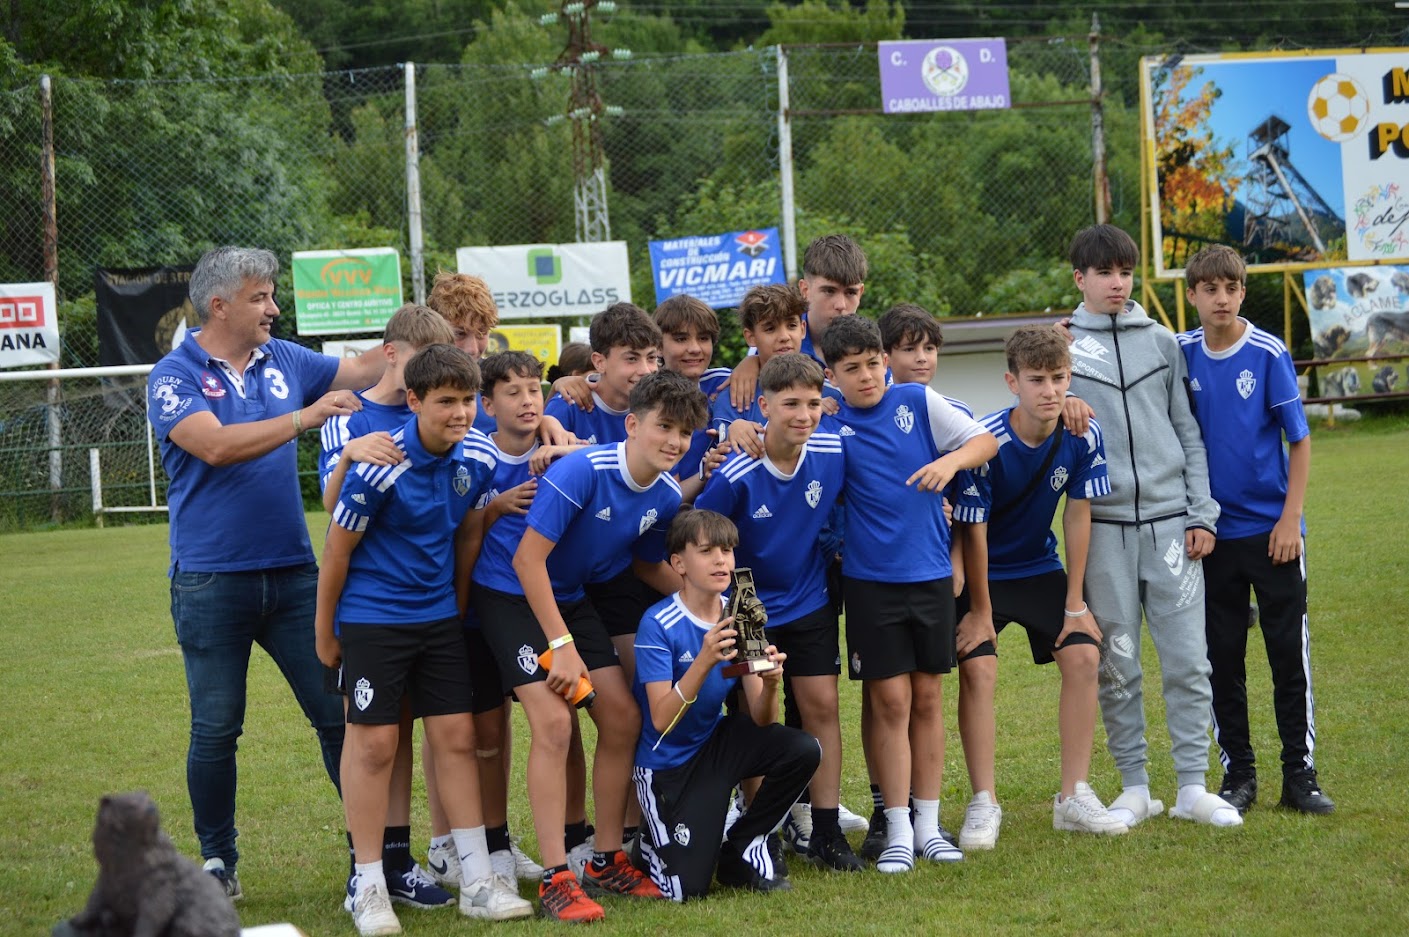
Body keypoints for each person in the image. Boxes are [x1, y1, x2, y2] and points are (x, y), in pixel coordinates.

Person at [148, 245, 388, 900]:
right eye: (261, 297)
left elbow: (367, 367)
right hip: (210, 580)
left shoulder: (284, 358)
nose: (274, 308)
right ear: (219, 304)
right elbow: (215, 445)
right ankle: (218, 863)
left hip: (293, 577)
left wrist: (421, 329)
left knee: (336, 715)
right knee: (217, 727)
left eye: (273, 294)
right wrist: (303, 418)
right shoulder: (173, 375)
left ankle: (368, 860)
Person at [315, 344, 532, 935]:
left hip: (438, 620)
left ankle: (478, 881)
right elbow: (337, 551)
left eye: (466, 401)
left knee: (456, 739)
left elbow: (466, 534)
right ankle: (368, 885)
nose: (460, 413)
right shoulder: (379, 464)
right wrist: (324, 633)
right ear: (413, 401)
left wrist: (455, 611)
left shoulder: (479, 455)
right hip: (373, 620)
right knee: (375, 746)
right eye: (445, 402)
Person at [477, 370, 706, 922]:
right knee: (555, 725)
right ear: (632, 424)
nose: (674, 442)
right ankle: (557, 876)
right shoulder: (582, 468)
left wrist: (714, 615)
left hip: (571, 599)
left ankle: (602, 860)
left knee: (624, 720)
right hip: (511, 594)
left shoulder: (669, 493)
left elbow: (647, 565)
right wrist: (563, 645)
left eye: (684, 432)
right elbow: (526, 561)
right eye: (663, 427)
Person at [1061, 224, 1240, 828]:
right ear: (1079, 278)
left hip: (1172, 530)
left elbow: (1188, 433)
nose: (1117, 283)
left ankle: (1192, 786)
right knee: (1119, 663)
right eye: (1104, 272)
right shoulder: (1062, 348)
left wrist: (1201, 514)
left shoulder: (1163, 343)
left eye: (1125, 272)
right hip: (1103, 529)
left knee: (1189, 661)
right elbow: (1028, 391)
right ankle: (1134, 785)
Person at [818, 315, 997, 873]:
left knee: (926, 700)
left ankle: (928, 824)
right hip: (870, 584)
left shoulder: (918, 401)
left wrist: (949, 460)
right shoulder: (829, 421)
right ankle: (895, 827)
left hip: (930, 579)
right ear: (833, 375)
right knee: (889, 703)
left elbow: (984, 442)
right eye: (853, 369)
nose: (868, 376)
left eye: (873, 363)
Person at [950, 326, 1129, 846]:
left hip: (1037, 567)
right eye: (1036, 380)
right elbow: (974, 531)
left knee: (1083, 656)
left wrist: (1075, 602)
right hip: (986, 573)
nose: (1049, 390)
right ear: (1012, 382)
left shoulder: (1082, 434)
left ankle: (1073, 795)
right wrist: (979, 611)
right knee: (978, 668)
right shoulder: (986, 443)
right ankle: (983, 802)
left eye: (1059, 378)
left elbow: (1077, 516)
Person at [1175, 244, 1334, 815]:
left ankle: (1301, 774)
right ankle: (1239, 774)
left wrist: (1291, 518)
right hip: (1211, 536)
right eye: (1210, 289)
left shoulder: (1267, 352)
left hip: (1273, 533)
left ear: (1242, 291)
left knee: (1288, 654)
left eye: (1232, 288)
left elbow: (1300, 439)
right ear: (1191, 294)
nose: (1222, 298)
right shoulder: (1179, 353)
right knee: (1222, 657)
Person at [318, 304, 459, 911]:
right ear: (393, 354)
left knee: (404, 732)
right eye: (420, 363)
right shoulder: (348, 413)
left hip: (432, 605)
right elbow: (332, 510)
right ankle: (366, 868)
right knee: (373, 738)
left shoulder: (438, 412)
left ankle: (397, 860)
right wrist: (352, 455)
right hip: (372, 606)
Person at [695, 353, 860, 872]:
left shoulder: (833, 448)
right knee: (756, 717)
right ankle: (759, 831)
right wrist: (728, 608)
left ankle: (826, 830)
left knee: (822, 707)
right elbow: (706, 540)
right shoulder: (737, 470)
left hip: (808, 594)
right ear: (764, 406)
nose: (804, 414)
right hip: (746, 600)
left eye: (813, 403)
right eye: (791, 403)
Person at [632, 509, 820, 899]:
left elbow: (763, 719)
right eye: (707, 551)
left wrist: (770, 684)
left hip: (714, 748)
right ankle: (649, 845)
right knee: (687, 890)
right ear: (678, 563)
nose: (721, 560)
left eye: (728, 550)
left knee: (801, 748)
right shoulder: (658, 623)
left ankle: (740, 849)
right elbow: (661, 718)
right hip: (667, 766)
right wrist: (703, 661)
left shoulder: (742, 616)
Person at [461, 351, 595, 886]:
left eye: (534, 390)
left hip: (553, 604)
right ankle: (495, 846)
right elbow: (457, 533)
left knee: (569, 724)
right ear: (486, 404)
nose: (526, 401)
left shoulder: (560, 448)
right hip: (490, 606)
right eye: (512, 392)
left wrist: (557, 438)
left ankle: (576, 838)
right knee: (490, 734)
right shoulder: (475, 458)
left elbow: (590, 453)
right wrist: (493, 508)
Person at [725, 234, 868, 409]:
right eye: (829, 291)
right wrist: (752, 363)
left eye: (850, 293)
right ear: (805, 290)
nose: (841, 305)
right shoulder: (783, 341)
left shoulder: (870, 347)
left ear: (860, 293)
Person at [544, 302, 662, 445]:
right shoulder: (566, 407)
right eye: (632, 359)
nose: (646, 370)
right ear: (599, 362)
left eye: (651, 358)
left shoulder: (660, 406)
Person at [710, 284, 806, 456]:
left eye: (791, 325)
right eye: (770, 328)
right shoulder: (733, 399)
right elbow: (724, 462)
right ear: (751, 337)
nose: (784, 337)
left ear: (803, 329)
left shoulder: (827, 392)